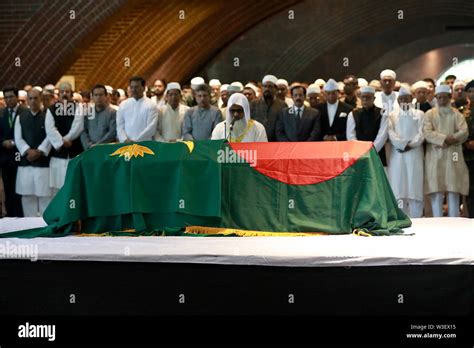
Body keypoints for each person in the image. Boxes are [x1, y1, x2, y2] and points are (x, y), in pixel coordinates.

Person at [423, 85, 469, 217]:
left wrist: (451, 139)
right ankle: (438, 220)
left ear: (449, 97)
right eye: (439, 97)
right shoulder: (430, 114)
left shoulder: (457, 114)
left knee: (453, 188)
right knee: (436, 188)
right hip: (434, 155)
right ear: (436, 98)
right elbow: (427, 132)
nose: (442, 99)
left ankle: (454, 219)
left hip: (453, 154)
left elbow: (464, 132)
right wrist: (445, 139)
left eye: (445, 97)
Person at [387, 87, 425, 218]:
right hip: (398, 154)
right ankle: (401, 218)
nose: (404, 101)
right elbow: (390, 133)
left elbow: (422, 133)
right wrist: (402, 145)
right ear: (398, 100)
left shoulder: (419, 114)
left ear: (411, 99)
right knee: (399, 185)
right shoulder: (392, 115)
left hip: (415, 153)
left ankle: (417, 218)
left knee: (414, 185)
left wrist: (411, 144)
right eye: (401, 99)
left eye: (407, 98)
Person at [14, 89, 52, 216]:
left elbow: (50, 136)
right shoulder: (21, 117)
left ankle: (44, 223)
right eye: (30, 98)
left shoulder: (48, 116)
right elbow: (18, 138)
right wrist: (27, 151)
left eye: (36, 98)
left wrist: (40, 151)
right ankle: (28, 224)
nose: (33, 101)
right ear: (27, 100)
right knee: (27, 196)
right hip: (26, 161)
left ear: (40, 99)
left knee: (45, 196)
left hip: (43, 162)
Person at [45, 81, 84, 193]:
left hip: (74, 151)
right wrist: (61, 142)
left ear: (71, 94)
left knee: (74, 186)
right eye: (62, 91)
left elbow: (78, 126)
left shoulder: (78, 107)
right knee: (58, 188)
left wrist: (67, 139)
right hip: (58, 153)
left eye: (67, 91)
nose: (64, 94)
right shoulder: (51, 109)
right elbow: (50, 129)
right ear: (58, 94)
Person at [0, 86, 26, 216]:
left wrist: (16, 142)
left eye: (11, 97)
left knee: (20, 188)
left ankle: (21, 215)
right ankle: (10, 215)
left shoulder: (24, 112)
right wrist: (2, 142)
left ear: (17, 97)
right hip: (5, 157)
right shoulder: (1, 113)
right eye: (6, 97)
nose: (8, 100)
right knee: (8, 188)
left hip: (20, 156)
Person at [346, 86, 388, 165]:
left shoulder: (383, 113)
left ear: (374, 98)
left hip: (377, 153)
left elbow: (382, 135)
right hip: (358, 154)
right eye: (363, 97)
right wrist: (360, 151)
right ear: (360, 98)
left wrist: (371, 151)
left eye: (368, 97)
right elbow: (350, 135)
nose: (365, 99)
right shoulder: (353, 114)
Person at [116, 76, 158, 143]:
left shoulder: (151, 105)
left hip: (145, 143)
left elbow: (151, 127)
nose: (133, 90)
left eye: (136, 87)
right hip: (126, 144)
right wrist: (125, 139)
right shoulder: (123, 105)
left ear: (143, 88)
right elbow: (119, 126)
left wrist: (137, 141)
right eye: (131, 87)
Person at [250, 75, 287, 142]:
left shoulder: (282, 105)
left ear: (275, 89)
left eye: (270, 87)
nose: (267, 89)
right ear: (262, 88)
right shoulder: (254, 104)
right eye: (265, 86)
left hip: (276, 143)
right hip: (257, 141)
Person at [80, 84, 117, 150]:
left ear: (106, 96)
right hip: (89, 149)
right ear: (92, 97)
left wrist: (97, 146)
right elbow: (83, 131)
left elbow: (112, 132)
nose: (98, 97)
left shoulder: (113, 113)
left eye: (101, 95)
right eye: (96, 95)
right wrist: (88, 145)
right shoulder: (87, 113)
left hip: (106, 149)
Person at [463, 80, 474, 217]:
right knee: (469, 188)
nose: (472, 94)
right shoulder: (462, 111)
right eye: (470, 91)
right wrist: (466, 142)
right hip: (467, 155)